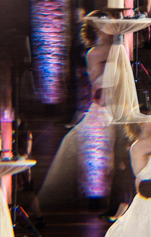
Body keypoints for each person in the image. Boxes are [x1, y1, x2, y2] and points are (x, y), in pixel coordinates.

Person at [38, 13, 114, 209]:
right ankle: (97, 196)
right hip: (104, 107)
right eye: (107, 24)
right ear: (97, 30)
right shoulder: (96, 53)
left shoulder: (115, 48)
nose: (112, 27)